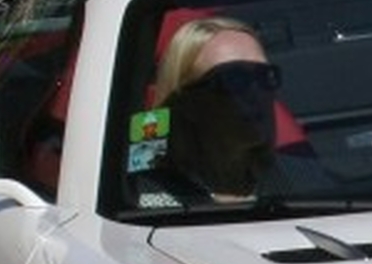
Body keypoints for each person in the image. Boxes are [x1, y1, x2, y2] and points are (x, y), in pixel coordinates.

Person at [131, 16, 311, 205]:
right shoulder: (142, 197)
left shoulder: (304, 179)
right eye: (234, 79)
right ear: (188, 102)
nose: (256, 92)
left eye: (264, 76)